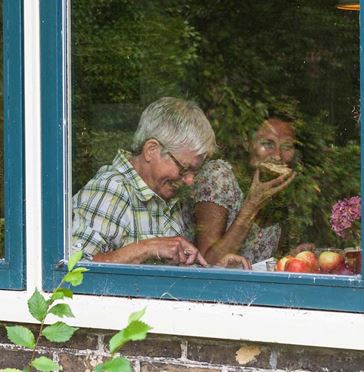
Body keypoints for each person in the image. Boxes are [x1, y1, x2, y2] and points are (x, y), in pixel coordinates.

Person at [71, 97, 248, 268]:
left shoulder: (162, 195)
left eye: (195, 172)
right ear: (151, 150)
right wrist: (148, 247)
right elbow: (74, 271)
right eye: (184, 169)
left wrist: (214, 269)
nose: (189, 180)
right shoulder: (111, 191)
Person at [191, 117, 298, 265]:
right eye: (268, 144)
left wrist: (292, 257)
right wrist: (252, 206)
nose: (278, 155)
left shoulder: (278, 191)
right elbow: (205, 264)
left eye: (287, 146)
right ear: (247, 142)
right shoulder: (219, 176)